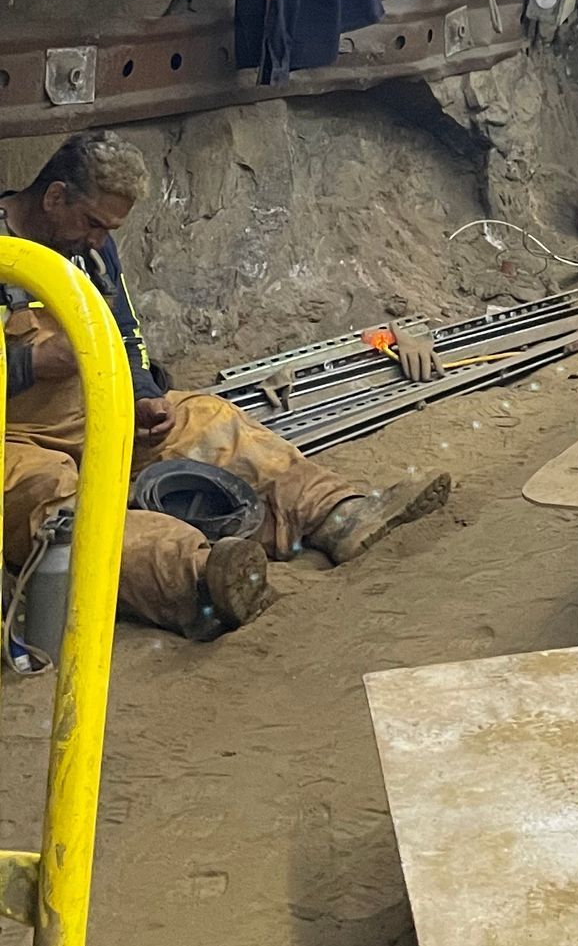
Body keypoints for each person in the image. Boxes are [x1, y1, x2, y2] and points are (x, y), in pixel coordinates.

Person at [1, 132, 448, 640]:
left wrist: (145, 396)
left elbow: (125, 336)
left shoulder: (92, 253)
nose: (100, 241)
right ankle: (202, 578)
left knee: (208, 418)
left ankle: (338, 517)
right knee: (52, 498)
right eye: (93, 224)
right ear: (55, 197)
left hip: (100, 415)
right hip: (14, 441)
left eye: (110, 229)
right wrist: (33, 363)